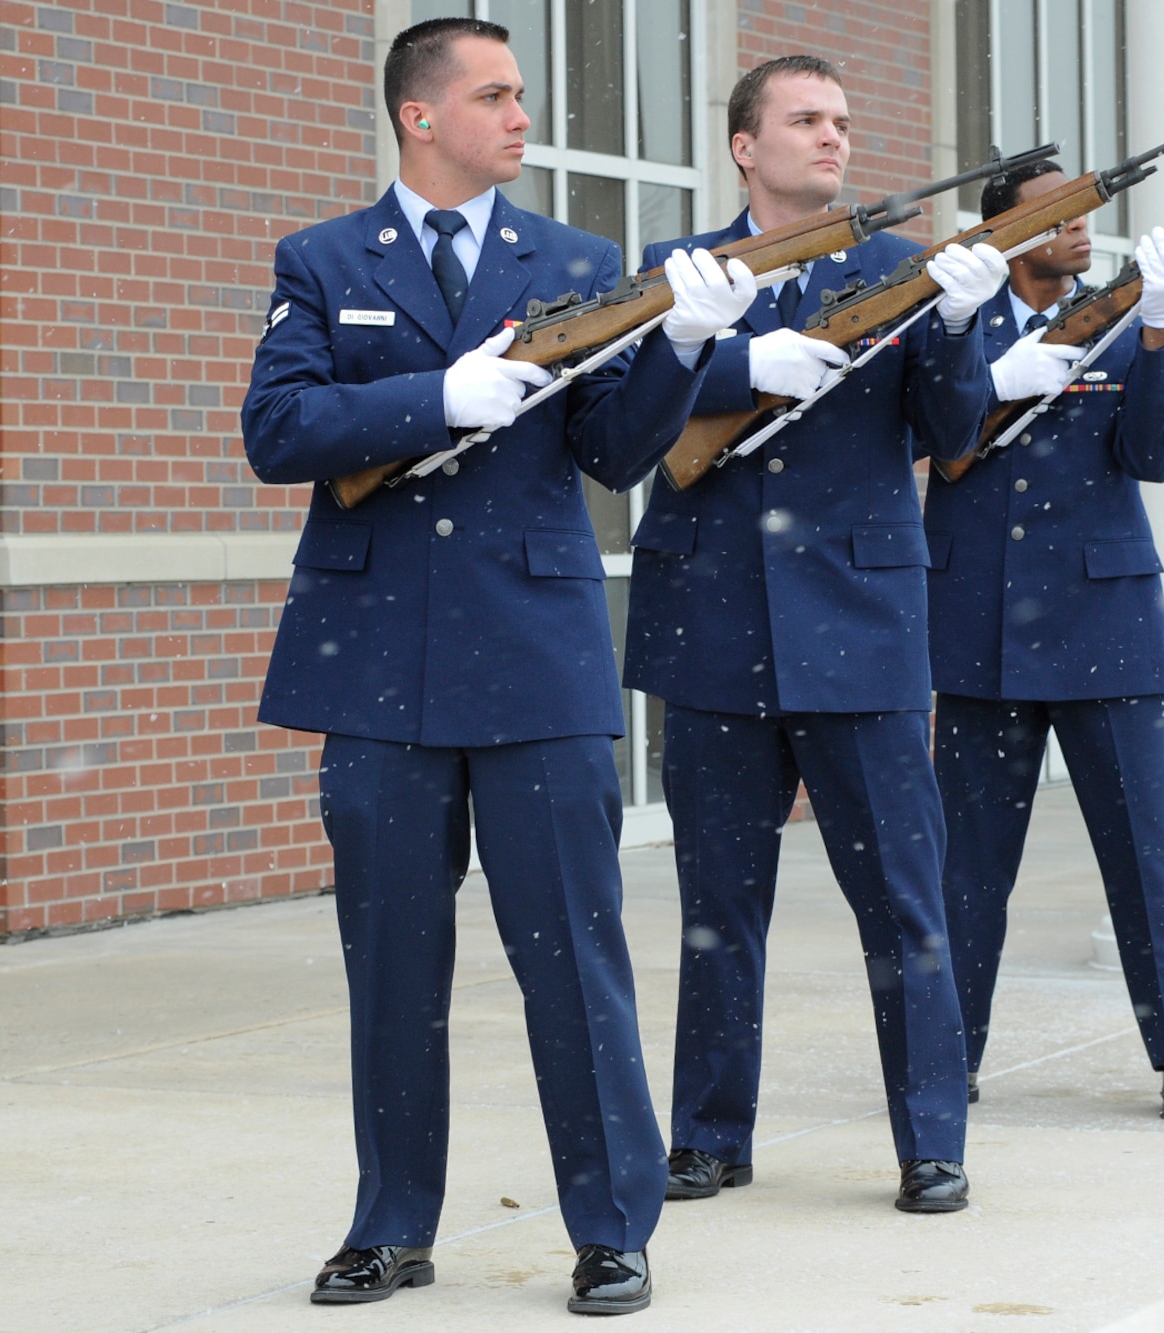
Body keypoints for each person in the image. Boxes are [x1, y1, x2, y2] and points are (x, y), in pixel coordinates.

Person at [241, 18, 755, 1315]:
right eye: (497, 95)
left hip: (532, 661)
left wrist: (688, 347)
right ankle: (390, 1222)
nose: (523, 115)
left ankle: (612, 1225)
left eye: (522, 94)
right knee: (393, 964)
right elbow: (279, 428)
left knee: (575, 961)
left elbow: (617, 451)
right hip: (377, 669)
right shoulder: (322, 260)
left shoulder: (575, 261)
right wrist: (433, 400)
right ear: (421, 116)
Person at [623, 55, 1007, 1215]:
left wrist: (952, 321)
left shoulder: (905, 269)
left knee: (902, 900)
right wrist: (732, 356)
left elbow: (954, 436)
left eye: (841, 119)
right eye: (803, 120)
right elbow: (621, 419)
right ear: (745, 145)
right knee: (715, 904)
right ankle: (707, 1134)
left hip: (862, 628)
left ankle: (930, 1138)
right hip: (713, 621)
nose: (831, 137)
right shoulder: (679, 273)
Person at [923, 158, 1164, 1120]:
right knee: (967, 865)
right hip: (979, 625)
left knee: (1143, 853)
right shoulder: (953, 327)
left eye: (1090, 212)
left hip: (1106, 627)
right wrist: (987, 380)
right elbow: (928, 443)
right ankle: (949, 1052)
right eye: (1058, 213)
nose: (1083, 228)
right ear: (1002, 229)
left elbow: (1155, 457)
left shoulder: (1122, 320)